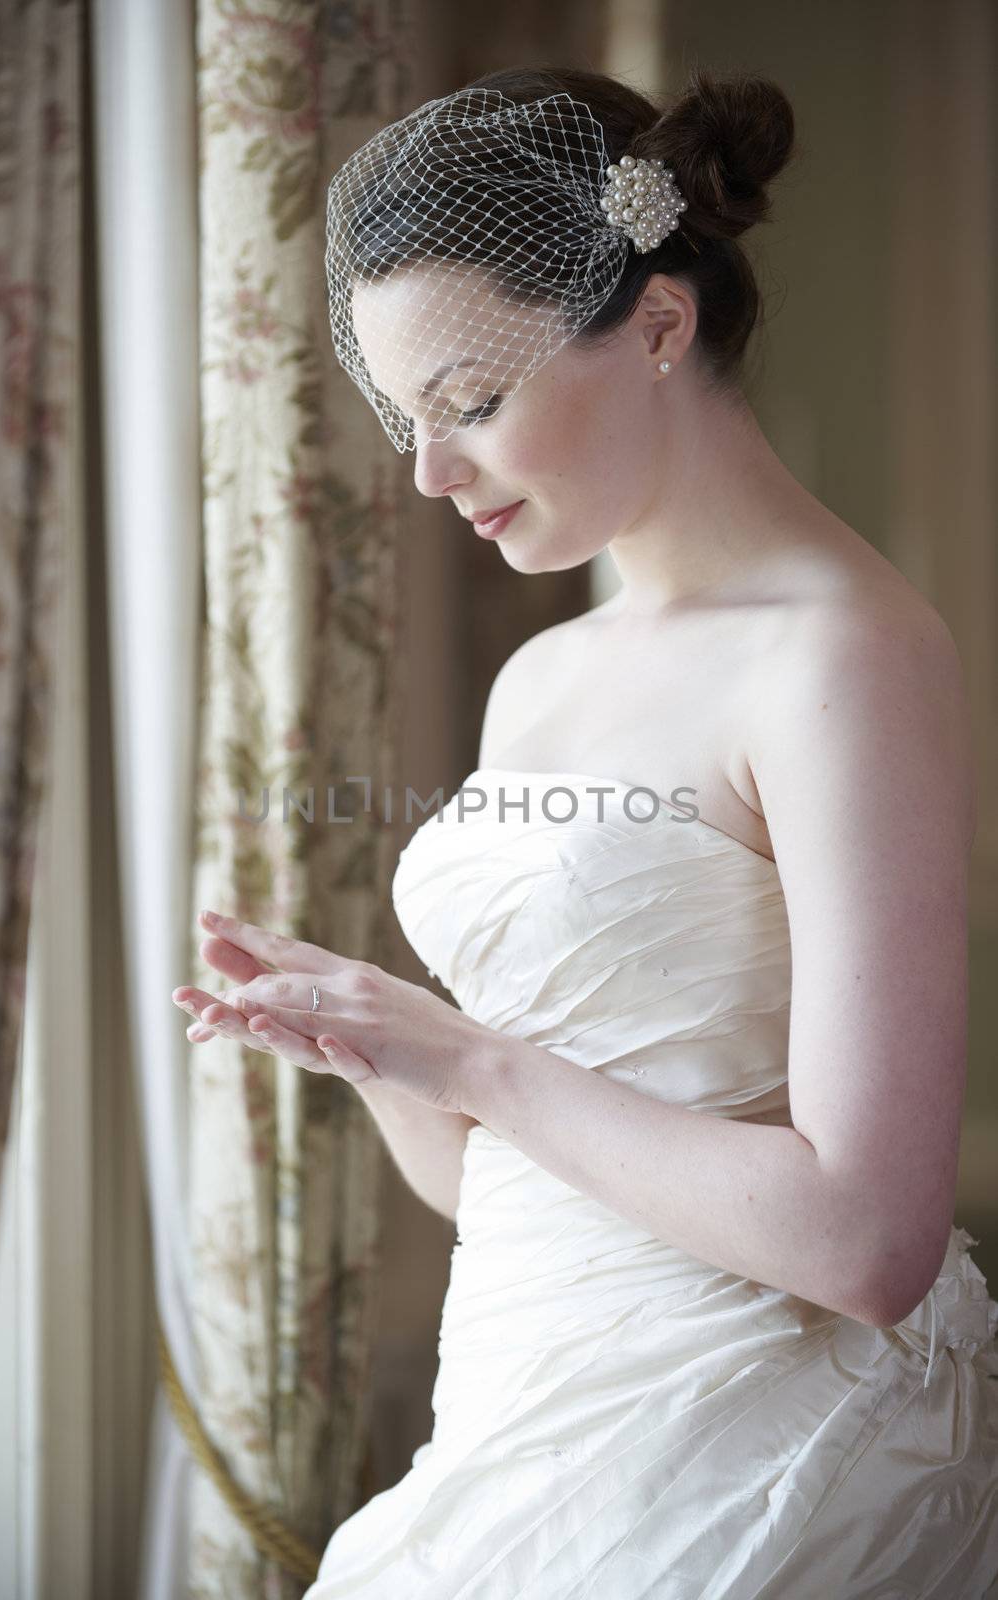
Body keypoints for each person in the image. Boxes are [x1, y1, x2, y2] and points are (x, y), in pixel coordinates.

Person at [184, 63, 998, 1597]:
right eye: (405, 417)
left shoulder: (847, 656)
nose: (428, 473)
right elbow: (508, 1184)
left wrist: (473, 1057)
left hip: (747, 1455)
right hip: (520, 1418)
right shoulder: (542, 678)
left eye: (471, 405)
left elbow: (870, 1242)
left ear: (661, 326)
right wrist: (377, 1051)